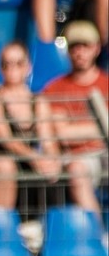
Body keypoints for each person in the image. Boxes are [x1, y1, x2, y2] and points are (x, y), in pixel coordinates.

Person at [0, 41, 60, 218]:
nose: (12, 68)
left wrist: (51, 160)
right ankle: (1, 232)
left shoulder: (38, 101)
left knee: (54, 171)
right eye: (6, 63)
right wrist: (35, 158)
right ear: (0, 68)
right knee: (6, 167)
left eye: (18, 63)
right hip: (4, 163)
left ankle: (41, 229)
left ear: (28, 67)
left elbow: (48, 140)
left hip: (31, 165)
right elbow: (5, 139)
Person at [40, 21, 109, 214]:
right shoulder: (55, 88)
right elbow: (64, 135)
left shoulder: (106, 84)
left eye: (85, 46)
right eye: (74, 47)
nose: (80, 52)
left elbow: (69, 131)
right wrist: (102, 128)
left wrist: (78, 129)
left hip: (104, 153)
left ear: (96, 48)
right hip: (77, 157)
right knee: (77, 170)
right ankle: (99, 237)